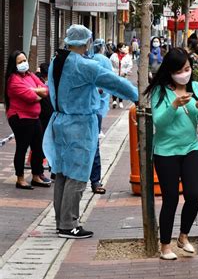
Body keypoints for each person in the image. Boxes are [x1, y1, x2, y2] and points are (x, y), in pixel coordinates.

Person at [43, 25, 138, 239]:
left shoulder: (56, 62)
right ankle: (69, 225)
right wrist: (138, 95)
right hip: (79, 124)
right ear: (87, 42)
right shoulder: (84, 65)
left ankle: (62, 222)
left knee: (62, 173)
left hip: (59, 121)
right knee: (77, 175)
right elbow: (115, 83)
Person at [144, 48, 198, 260]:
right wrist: (174, 105)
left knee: (194, 194)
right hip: (166, 151)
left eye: (188, 68)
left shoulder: (196, 87)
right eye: (181, 70)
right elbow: (159, 123)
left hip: (191, 147)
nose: (186, 73)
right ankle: (165, 245)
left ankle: (183, 236)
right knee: (170, 198)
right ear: (171, 71)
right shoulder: (161, 92)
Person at [4, 51, 51, 190]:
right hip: (20, 118)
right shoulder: (13, 80)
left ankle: (36, 176)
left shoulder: (30, 75)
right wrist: (36, 91)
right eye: (20, 62)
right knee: (22, 147)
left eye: (24, 60)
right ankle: (20, 179)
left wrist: (34, 89)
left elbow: (46, 90)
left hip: (34, 117)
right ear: (14, 64)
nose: (24, 63)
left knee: (38, 147)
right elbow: (33, 98)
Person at [89, 38, 113, 194]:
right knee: (92, 146)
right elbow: (111, 82)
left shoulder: (88, 60)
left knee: (92, 146)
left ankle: (95, 180)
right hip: (83, 112)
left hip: (91, 110)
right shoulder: (81, 63)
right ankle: (95, 181)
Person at [110, 42, 133, 109]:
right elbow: (110, 63)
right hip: (115, 73)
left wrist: (125, 72)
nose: (124, 48)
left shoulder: (127, 56)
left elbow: (130, 65)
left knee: (121, 88)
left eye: (125, 47)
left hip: (123, 74)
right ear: (119, 48)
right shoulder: (114, 55)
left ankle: (120, 101)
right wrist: (113, 71)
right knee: (114, 87)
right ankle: (114, 101)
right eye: (123, 47)